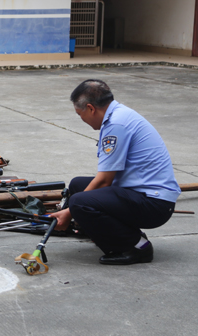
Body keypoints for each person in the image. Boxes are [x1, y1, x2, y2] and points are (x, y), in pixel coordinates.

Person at [50, 79, 180, 265]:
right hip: (142, 194)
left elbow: (104, 181)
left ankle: (137, 246)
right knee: (78, 185)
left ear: (91, 108)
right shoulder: (119, 113)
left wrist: (70, 212)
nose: (82, 120)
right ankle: (110, 233)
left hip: (154, 204)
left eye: (80, 114)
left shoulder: (116, 125)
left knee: (79, 202)